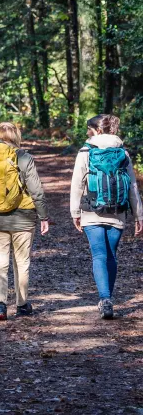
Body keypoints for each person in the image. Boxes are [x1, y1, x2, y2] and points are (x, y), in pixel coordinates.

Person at [70, 113, 143, 319]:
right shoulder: (123, 152)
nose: (87, 133)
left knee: (99, 255)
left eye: (89, 129)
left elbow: (77, 184)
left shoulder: (85, 151)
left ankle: (105, 299)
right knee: (111, 255)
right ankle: (108, 298)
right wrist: (139, 215)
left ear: (97, 130)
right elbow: (133, 187)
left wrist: (75, 212)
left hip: (91, 211)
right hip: (118, 212)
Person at [0, 122, 49, 321]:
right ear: (16, 136)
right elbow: (36, 190)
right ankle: (22, 305)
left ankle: (0, 305)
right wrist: (44, 216)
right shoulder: (23, 157)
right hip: (23, 217)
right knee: (22, 262)